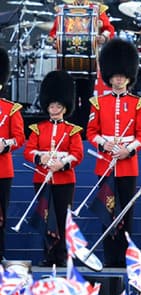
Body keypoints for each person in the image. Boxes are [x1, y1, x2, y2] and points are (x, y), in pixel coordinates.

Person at [86, 38, 141, 267]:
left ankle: (125, 258)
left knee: (126, 214)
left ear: (128, 76)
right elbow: (91, 132)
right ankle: (110, 257)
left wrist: (127, 150)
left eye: (122, 75)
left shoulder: (138, 103)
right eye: (115, 75)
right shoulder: (98, 102)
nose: (118, 79)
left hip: (127, 165)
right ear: (109, 77)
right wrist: (105, 145)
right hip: (105, 164)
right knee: (107, 211)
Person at [24, 70, 84, 267]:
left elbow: (78, 154)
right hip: (43, 178)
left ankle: (63, 256)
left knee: (62, 218)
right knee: (45, 217)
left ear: (65, 108)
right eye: (51, 105)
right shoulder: (38, 128)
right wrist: (41, 157)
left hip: (65, 180)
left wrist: (62, 163)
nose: (55, 109)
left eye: (58, 105)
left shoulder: (72, 130)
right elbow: (29, 151)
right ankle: (49, 255)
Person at [48, 0, 115, 135]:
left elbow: (109, 29)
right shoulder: (64, 10)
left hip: (88, 63)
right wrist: (54, 41)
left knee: (87, 98)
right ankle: (68, 131)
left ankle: (86, 131)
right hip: (67, 62)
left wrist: (103, 36)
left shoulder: (96, 9)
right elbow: (54, 33)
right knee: (69, 98)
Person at [0, 47, 25, 260]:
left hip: (2, 171)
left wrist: (5, 144)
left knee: (0, 216)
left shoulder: (11, 109)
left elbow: (19, 138)